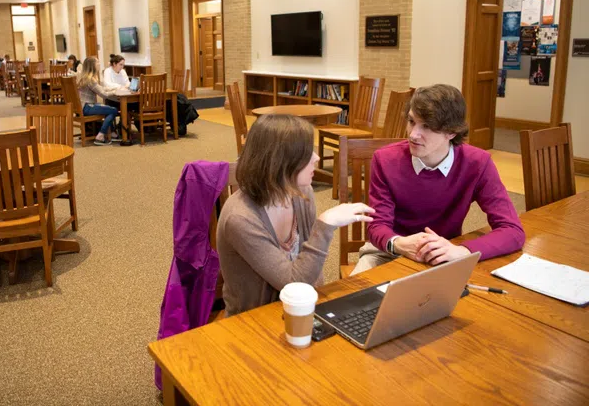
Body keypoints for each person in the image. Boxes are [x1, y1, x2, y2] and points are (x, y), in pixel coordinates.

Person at [351, 84, 525, 275]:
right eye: (411, 121)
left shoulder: (478, 163)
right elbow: (377, 227)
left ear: (451, 132)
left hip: (443, 254)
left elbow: (512, 230)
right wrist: (399, 243)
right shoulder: (385, 160)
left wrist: (462, 251)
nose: (413, 134)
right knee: (352, 301)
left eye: (427, 126)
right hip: (388, 251)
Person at [217, 114, 375, 317]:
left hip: (298, 309)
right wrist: (324, 226)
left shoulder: (301, 193)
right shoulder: (240, 217)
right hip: (253, 320)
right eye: (307, 153)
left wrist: (320, 313)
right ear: (281, 162)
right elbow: (293, 283)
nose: (317, 157)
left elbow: (312, 270)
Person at [75, 56, 121, 146]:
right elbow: (103, 94)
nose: (99, 64)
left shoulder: (84, 77)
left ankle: (111, 132)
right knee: (113, 110)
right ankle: (101, 135)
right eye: (97, 63)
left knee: (109, 109)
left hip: (83, 107)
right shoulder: (90, 79)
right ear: (92, 65)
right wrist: (115, 91)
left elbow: (100, 89)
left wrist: (111, 89)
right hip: (88, 107)